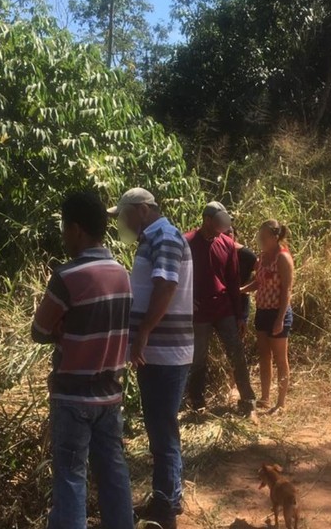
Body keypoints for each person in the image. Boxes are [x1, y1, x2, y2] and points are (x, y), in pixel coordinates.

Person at [31, 192, 135, 529]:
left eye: (64, 228)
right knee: (113, 471)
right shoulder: (122, 273)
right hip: (110, 394)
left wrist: (62, 329)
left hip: (72, 394)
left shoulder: (67, 276)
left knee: (71, 479)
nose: (63, 235)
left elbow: (39, 330)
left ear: (76, 229)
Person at [109, 188, 193, 529]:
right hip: (159, 351)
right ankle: (170, 494)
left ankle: (164, 505)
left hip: (165, 351)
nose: (121, 223)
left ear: (142, 210)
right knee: (161, 425)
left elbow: (166, 286)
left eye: (123, 215)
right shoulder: (152, 238)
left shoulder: (165, 237)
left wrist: (142, 332)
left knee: (162, 427)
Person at [184, 202, 257, 415]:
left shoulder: (226, 243)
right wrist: (187, 300)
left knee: (236, 352)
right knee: (198, 358)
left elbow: (233, 281)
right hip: (200, 312)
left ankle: (248, 400)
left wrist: (240, 315)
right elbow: (178, 275)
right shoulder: (187, 242)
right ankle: (198, 404)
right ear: (207, 220)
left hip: (224, 307)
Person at [241, 219, 294, 413]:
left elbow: (287, 290)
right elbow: (258, 282)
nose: (260, 240)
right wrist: (241, 290)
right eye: (259, 237)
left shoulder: (283, 258)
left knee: (281, 358)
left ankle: (281, 403)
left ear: (274, 237)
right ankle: (265, 397)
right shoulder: (263, 257)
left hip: (277, 313)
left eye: (264, 237)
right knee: (264, 356)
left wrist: (280, 319)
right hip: (263, 311)